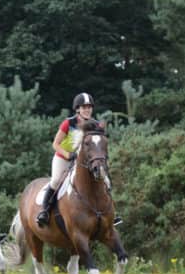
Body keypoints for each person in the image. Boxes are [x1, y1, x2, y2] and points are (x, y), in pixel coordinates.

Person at [36, 92, 121, 227]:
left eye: (89, 107)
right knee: (56, 180)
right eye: (84, 107)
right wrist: (68, 155)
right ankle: (44, 211)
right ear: (77, 109)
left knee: (105, 179)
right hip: (64, 158)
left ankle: (112, 213)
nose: (87, 110)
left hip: (84, 160)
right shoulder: (68, 123)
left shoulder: (95, 125)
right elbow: (55, 144)